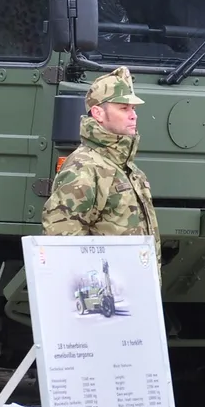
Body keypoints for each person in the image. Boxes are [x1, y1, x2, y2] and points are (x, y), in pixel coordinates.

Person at [42, 66, 160, 262]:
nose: (133, 115)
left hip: (133, 288)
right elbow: (61, 242)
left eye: (134, 109)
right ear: (98, 113)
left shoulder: (127, 169)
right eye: (123, 108)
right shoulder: (84, 168)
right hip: (105, 290)